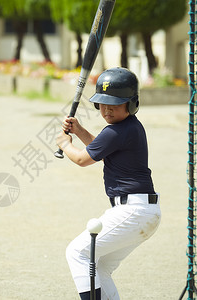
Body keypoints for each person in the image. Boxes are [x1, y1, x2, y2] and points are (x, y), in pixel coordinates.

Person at [56, 67, 161, 300]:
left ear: (131, 104)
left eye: (114, 103)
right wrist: (80, 131)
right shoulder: (128, 128)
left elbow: (83, 159)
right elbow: (101, 149)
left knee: (77, 252)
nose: (106, 109)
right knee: (100, 266)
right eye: (102, 103)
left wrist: (64, 144)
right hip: (141, 211)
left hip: (133, 211)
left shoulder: (117, 131)